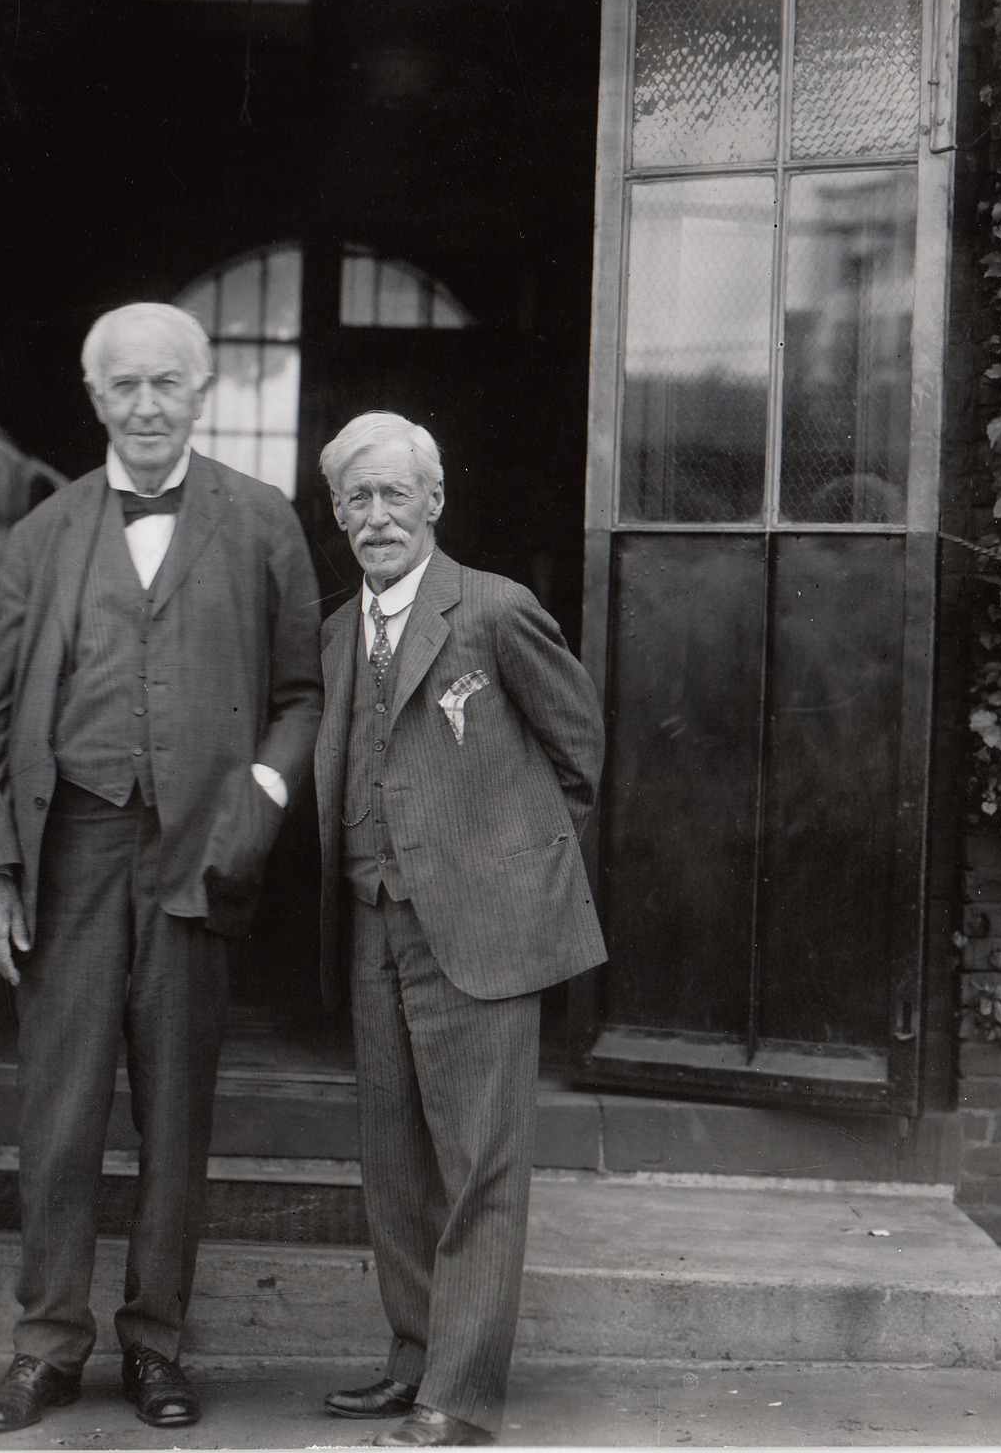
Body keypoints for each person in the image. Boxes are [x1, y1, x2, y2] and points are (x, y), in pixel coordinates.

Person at [0, 303, 323, 1433]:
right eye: (127, 388)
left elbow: (302, 696)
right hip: (70, 848)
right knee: (58, 1111)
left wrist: (257, 804)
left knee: (175, 1107)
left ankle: (157, 1341)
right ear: (95, 398)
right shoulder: (44, 532)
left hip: (199, 854)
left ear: (201, 391)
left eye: (168, 384)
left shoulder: (262, 523)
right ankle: (46, 1344)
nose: (148, 405)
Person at [312, 412, 607, 1448]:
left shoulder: (493, 611)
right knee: (391, 1159)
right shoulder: (336, 629)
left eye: (397, 495)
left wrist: (507, 874)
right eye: (359, 498)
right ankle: (412, 1358)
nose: (377, 516)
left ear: (434, 502)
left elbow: (578, 754)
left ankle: (463, 1393)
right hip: (372, 926)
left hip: (481, 929)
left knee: (479, 1162)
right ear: (338, 511)